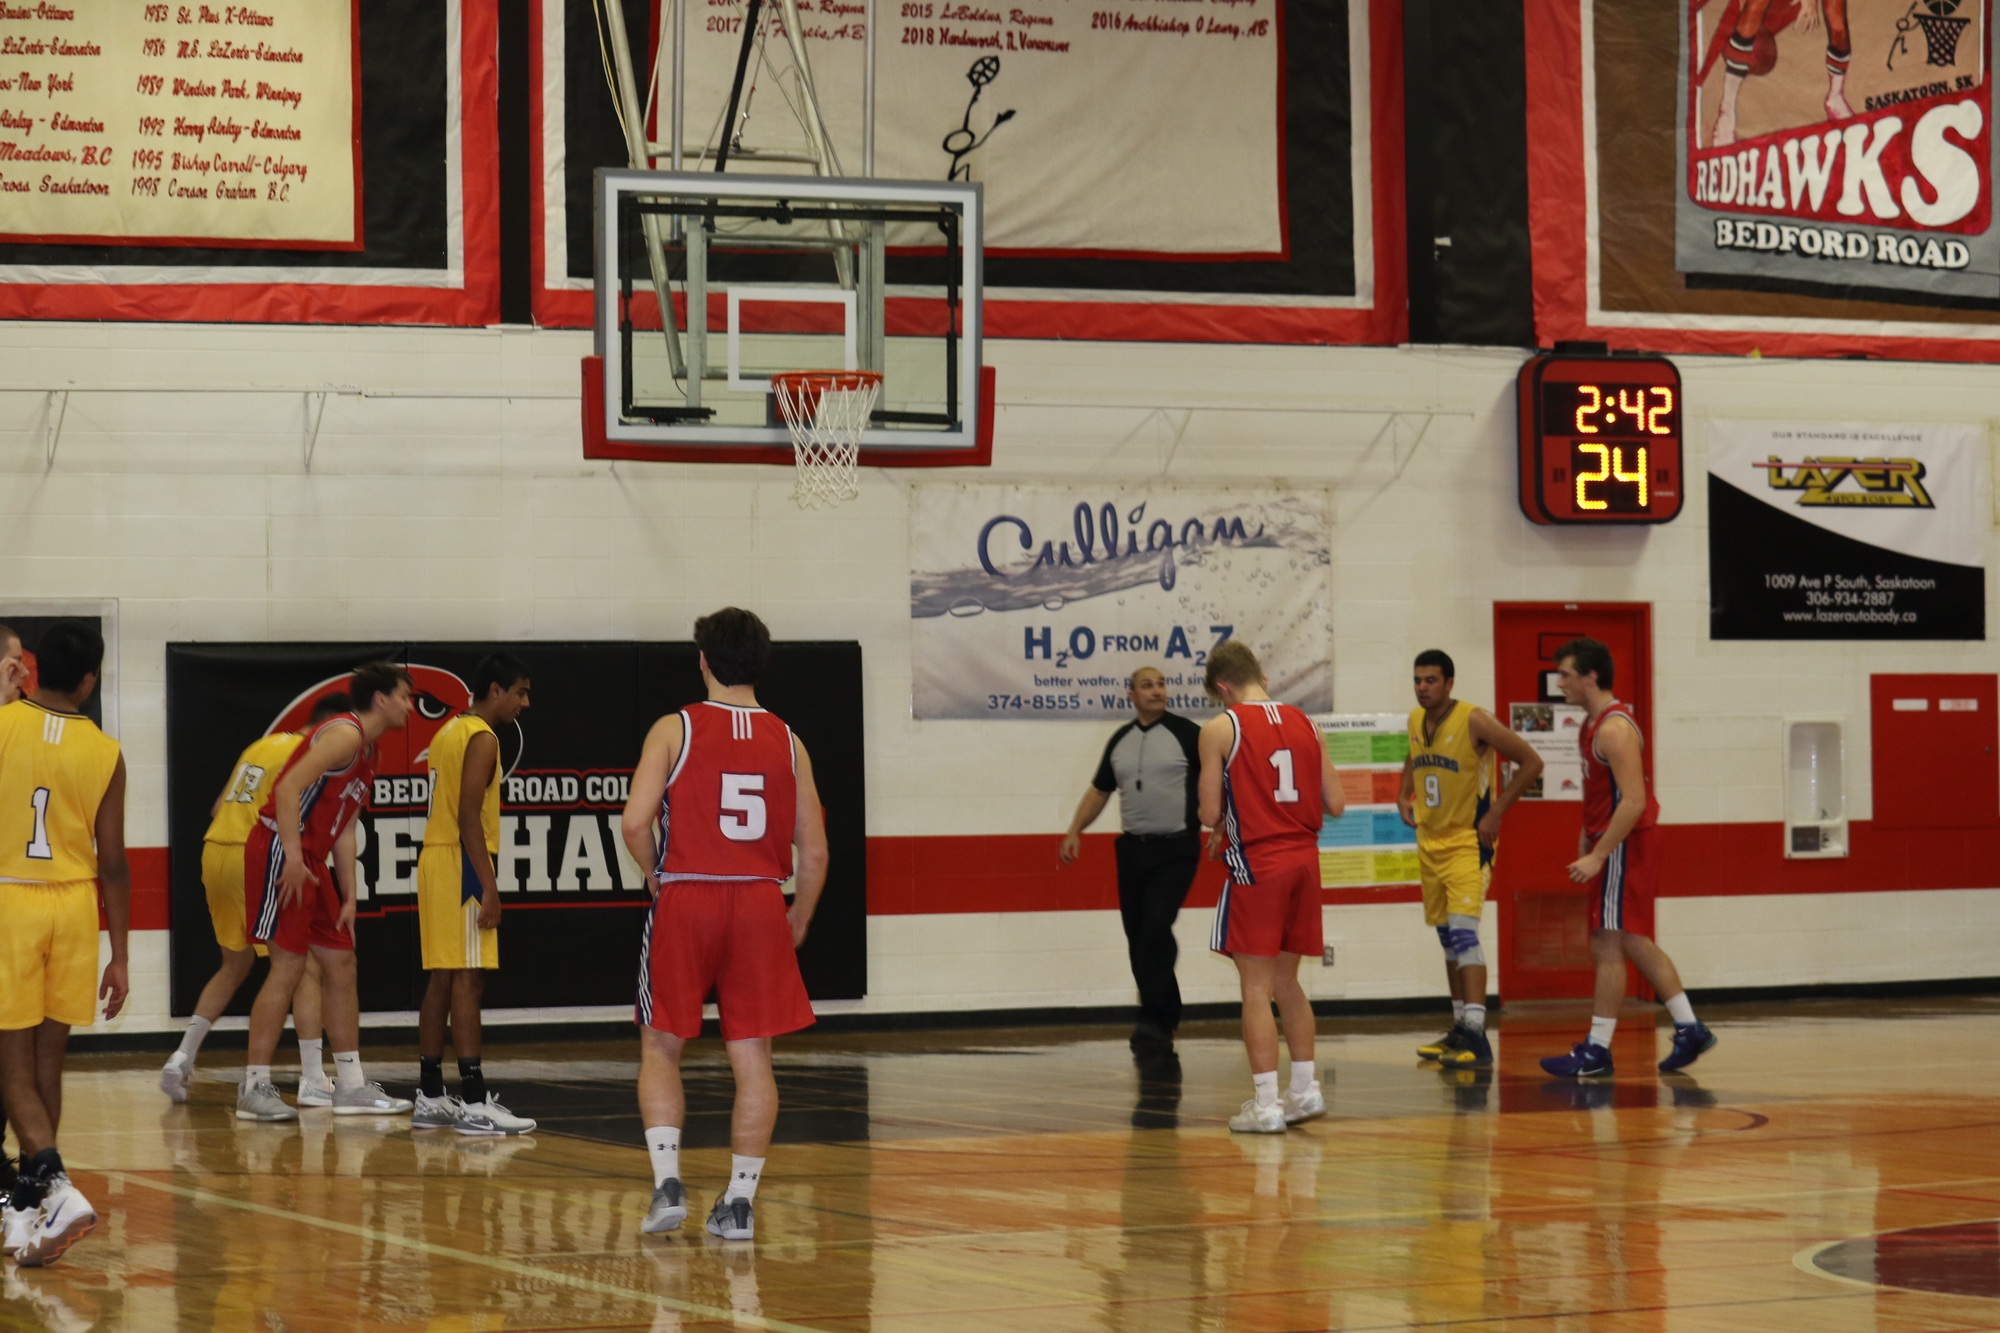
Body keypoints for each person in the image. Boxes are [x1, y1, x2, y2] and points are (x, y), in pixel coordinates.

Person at [620, 608, 828, 1242]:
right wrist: (799, 914)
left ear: (703, 660)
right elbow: (815, 851)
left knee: (661, 1044)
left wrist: (654, 873)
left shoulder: (675, 727)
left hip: (689, 894)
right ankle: (739, 1203)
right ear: (761, 664)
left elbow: (635, 821)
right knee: (753, 1056)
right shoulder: (790, 741)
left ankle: (668, 1186)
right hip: (760, 901)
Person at [0, 620, 129, 1266]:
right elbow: (115, 863)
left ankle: (54, 1183)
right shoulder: (107, 751)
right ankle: (27, 1208)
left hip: (11, 899)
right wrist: (122, 956)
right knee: (48, 1063)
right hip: (76, 906)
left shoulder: (2, 726)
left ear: (32, 666)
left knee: (11, 1067)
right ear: (89, 679)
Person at [236, 663, 417, 1121]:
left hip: (312, 860)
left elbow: (346, 828)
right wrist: (293, 857)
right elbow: (287, 789)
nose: (410, 706)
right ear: (381, 699)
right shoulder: (346, 734)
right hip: (282, 849)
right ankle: (253, 1088)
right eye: (405, 696)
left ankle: (351, 1086)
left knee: (341, 962)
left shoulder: (370, 752)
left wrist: (350, 893)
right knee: (288, 967)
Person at [159, 694, 352, 1106]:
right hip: (255, 855)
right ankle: (314, 1078)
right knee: (303, 966)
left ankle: (182, 1056)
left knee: (235, 964)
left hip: (216, 851)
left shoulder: (261, 745)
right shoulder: (309, 754)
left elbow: (218, 808)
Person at [1539, 638, 1716, 1079]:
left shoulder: (1614, 729)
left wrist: (1599, 854)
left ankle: (1597, 1050)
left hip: (1625, 843)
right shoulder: (1591, 724)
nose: (1559, 683)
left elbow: (1634, 801)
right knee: (1632, 939)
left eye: (1565, 674)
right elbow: (1604, 792)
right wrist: (1587, 833)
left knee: (1607, 941)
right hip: (1615, 840)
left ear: (1590, 676)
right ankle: (1689, 1027)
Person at [1197, 640, 1343, 1134]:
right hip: (1305, 862)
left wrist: (1225, 818)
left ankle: (1265, 1105)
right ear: (1262, 677)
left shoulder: (1221, 727)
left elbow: (1209, 812)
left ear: (1222, 688)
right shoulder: (1308, 723)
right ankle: (1305, 1090)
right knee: (1287, 983)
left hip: (1259, 863)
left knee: (1256, 987)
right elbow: (1336, 803)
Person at [1397, 650, 1544, 1070]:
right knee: (1447, 938)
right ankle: (1460, 1026)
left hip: (1467, 841)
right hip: (1430, 841)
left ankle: (1478, 1035)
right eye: (1417, 680)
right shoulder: (1415, 720)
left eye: (1431, 680)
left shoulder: (1474, 719)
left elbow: (1532, 762)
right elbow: (1413, 756)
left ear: (1449, 683)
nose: (1423, 687)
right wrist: (1402, 792)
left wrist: (1496, 812)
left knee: (1464, 935)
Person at [412, 653, 536, 1136]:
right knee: (468, 979)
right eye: (520, 692)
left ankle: (429, 1094)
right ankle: (474, 1100)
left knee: (442, 979)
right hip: (461, 863)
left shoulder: (447, 731)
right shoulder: (482, 737)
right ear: (495, 690)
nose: (525, 703)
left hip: (436, 858)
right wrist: (489, 885)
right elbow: (468, 817)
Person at [1059, 666, 1204, 1049]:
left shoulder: (1189, 735)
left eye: (1161, 684)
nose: (1156, 691)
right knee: (1138, 936)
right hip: (1132, 851)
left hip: (1176, 849)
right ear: (1132, 695)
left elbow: (1221, 780)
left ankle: (1158, 1017)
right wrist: (1075, 830)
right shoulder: (1120, 740)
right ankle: (1158, 1016)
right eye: (1147, 686)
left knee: (1155, 928)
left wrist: (1221, 824)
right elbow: (1099, 791)